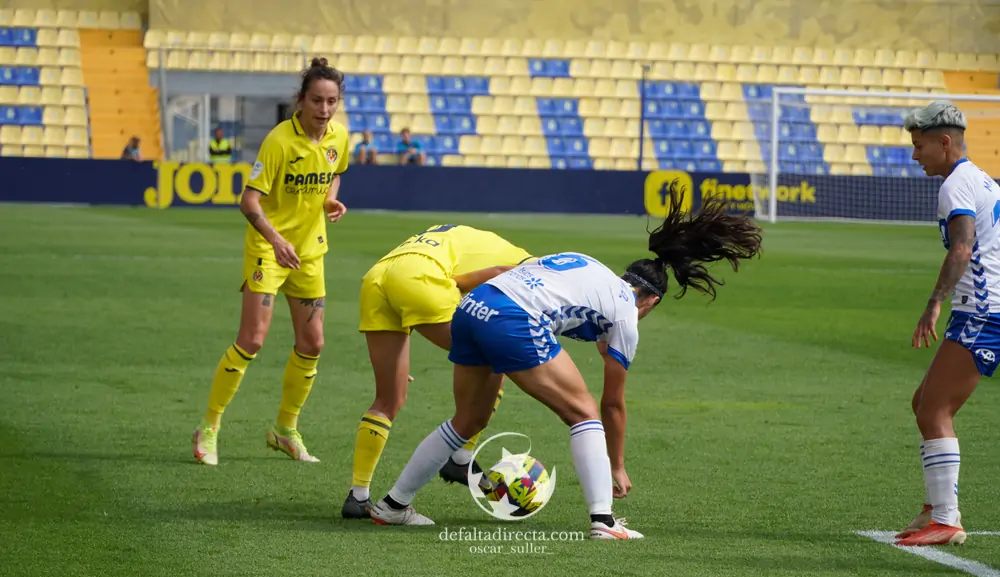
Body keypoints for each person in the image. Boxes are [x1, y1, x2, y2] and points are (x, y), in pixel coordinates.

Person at [368, 182, 763, 539]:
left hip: (474, 307)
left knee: (468, 420)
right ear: (652, 301)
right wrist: (617, 466)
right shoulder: (627, 312)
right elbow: (613, 405)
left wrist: (455, 287)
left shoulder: (583, 263)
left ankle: (393, 505)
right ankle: (604, 522)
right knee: (584, 412)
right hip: (513, 318)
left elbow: (509, 272)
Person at [192, 57, 350, 466]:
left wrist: (331, 198)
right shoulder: (280, 141)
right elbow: (249, 201)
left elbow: (336, 171)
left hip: (310, 251)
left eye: (332, 100)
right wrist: (276, 241)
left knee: (313, 343)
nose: (324, 109)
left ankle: (285, 429)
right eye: (317, 100)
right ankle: (208, 427)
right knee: (253, 339)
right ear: (301, 100)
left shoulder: (339, 138)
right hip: (270, 248)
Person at [895, 100, 1000, 546]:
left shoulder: (955, 187)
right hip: (990, 311)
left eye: (919, 146)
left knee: (935, 410)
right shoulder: (986, 181)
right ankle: (935, 505)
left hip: (983, 315)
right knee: (922, 403)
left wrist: (935, 304)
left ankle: (946, 519)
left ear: (944, 142)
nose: (915, 156)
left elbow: (963, 247)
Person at [342, 224, 535, 518]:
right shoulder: (534, 268)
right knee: (493, 355)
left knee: (388, 399)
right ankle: (461, 456)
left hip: (379, 276)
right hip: (420, 278)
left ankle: (358, 496)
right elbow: (494, 274)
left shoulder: (474, 238)